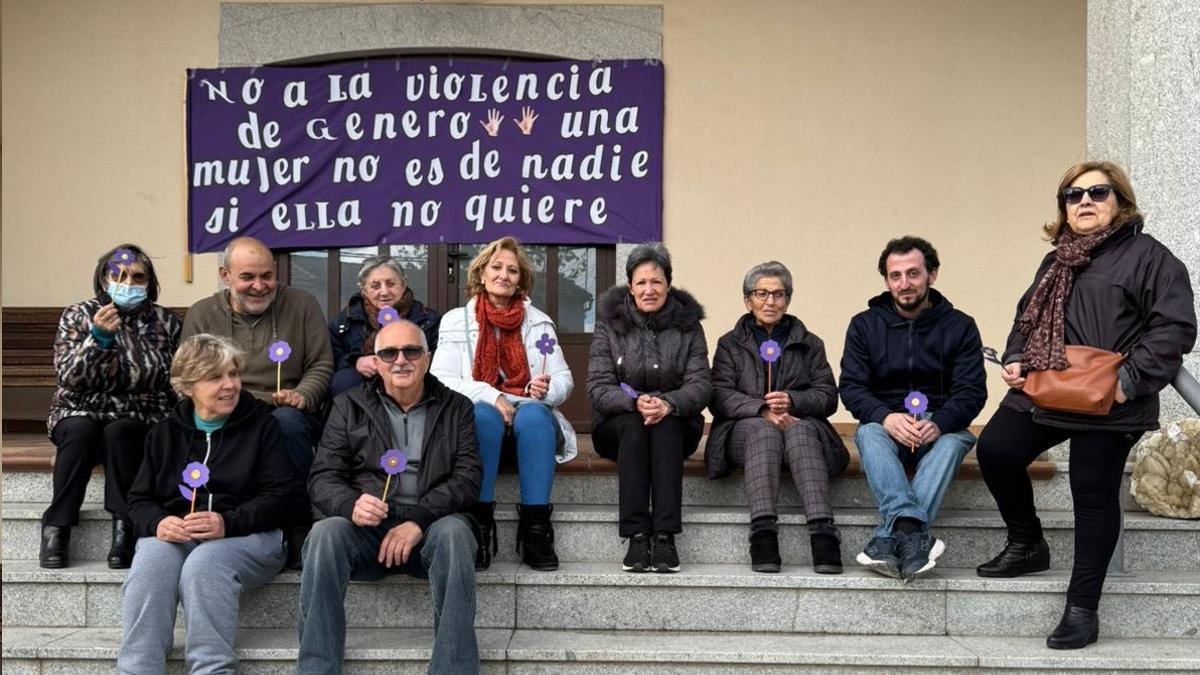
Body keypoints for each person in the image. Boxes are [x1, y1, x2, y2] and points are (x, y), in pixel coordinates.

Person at [975, 160, 1196, 650]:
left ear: (1120, 201)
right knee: (995, 450)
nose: (1085, 202)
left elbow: (1174, 328)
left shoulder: (1150, 258)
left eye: (1098, 192)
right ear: (1064, 208)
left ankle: (1082, 607)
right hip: (1046, 387)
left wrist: (1129, 381)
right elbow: (1025, 318)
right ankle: (1027, 541)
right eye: (1074, 196)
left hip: (1111, 398)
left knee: (1091, 493)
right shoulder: (1056, 259)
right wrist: (1015, 358)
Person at [299, 320, 482, 674]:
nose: (401, 360)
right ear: (377, 362)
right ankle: (317, 669)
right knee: (324, 534)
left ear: (427, 358)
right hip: (369, 529)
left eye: (411, 351)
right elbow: (323, 477)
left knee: (456, 535)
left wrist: (418, 520)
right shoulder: (348, 406)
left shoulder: (457, 407)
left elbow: (467, 478)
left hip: (430, 527)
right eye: (389, 353)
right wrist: (350, 504)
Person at [118, 334, 302, 674]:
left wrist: (227, 523)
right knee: (150, 563)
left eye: (233, 374)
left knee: (205, 565)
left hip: (250, 536)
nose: (230, 385)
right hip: (179, 535)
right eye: (215, 377)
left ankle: (211, 670)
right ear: (187, 386)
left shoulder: (263, 425)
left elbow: (281, 497)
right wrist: (158, 522)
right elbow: (139, 500)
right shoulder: (164, 433)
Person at [839, 236, 986, 581]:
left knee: (954, 442)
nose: (904, 284)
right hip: (886, 425)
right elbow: (852, 387)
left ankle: (890, 537)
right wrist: (885, 417)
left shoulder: (961, 325)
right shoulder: (864, 325)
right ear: (887, 280)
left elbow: (972, 391)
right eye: (895, 276)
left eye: (913, 274)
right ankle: (913, 532)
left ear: (932, 275)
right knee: (868, 433)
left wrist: (941, 423)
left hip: (939, 426)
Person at [181, 236, 333, 567]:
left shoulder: (302, 305)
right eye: (247, 277)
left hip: (285, 407)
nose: (260, 286)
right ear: (225, 275)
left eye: (267, 276)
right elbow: (191, 371)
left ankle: (297, 523)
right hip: (227, 407)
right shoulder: (203, 314)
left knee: (289, 424)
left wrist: (303, 395)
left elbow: (321, 364)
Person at [431, 236, 575, 571]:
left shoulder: (538, 322)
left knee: (537, 415)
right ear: (481, 273)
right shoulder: (456, 320)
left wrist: (545, 390)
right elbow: (440, 379)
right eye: (496, 267)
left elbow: (564, 379)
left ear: (521, 280)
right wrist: (491, 394)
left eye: (513, 271)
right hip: (481, 428)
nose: (504, 275)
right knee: (482, 414)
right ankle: (478, 526)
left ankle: (537, 528)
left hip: (529, 425)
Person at [41, 244, 181, 570]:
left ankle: (125, 527)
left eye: (137, 276)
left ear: (149, 282)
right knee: (80, 430)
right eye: (118, 274)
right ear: (103, 278)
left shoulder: (165, 322)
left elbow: (159, 374)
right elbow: (70, 376)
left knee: (122, 431)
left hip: (141, 413)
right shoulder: (78, 314)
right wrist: (98, 341)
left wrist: (116, 359)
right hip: (80, 409)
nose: (127, 282)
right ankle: (57, 527)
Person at [706, 261, 850, 574]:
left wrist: (793, 401)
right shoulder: (730, 344)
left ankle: (823, 533)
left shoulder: (809, 343)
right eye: (762, 293)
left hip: (800, 426)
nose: (770, 301)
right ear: (748, 300)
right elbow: (718, 395)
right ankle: (763, 534)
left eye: (779, 294)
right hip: (745, 430)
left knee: (799, 432)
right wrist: (761, 409)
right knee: (764, 431)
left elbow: (827, 395)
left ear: (788, 299)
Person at [587, 244, 711, 573]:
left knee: (665, 427)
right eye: (641, 282)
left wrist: (669, 404)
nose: (649, 289)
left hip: (676, 424)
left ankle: (665, 536)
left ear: (668, 285)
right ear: (630, 286)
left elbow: (701, 384)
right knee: (635, 426)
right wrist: (633, 402)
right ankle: (637, 535)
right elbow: (598, 386)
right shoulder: (608, 324)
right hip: (618, 426)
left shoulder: (689, 326)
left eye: (656, 282)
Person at [328, 255, 440, 397]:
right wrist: (356, 361)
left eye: (391, 284)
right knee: (344, 380)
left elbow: (437, 360)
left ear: (403, 284)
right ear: (363, 290)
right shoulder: (345, 320)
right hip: (363, 384)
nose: (384, 292)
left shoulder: (428, 319)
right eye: (375, 286)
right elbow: (332, 356)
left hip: (410, 379)